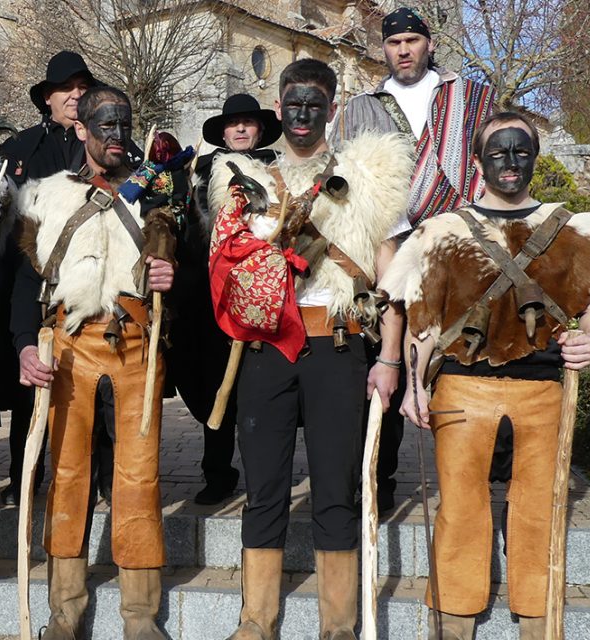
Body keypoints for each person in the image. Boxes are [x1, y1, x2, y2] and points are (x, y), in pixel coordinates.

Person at [381, 112, 590, 640]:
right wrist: (415, 386)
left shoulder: (569, 229)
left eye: (520, 152)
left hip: (544, 392)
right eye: (498, 153)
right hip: (464, 390)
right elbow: (425, 317)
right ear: (478, 161)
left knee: (539, 510)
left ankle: (539, 623)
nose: (510, 163)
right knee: (461, 510)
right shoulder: (444, 232)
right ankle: (453, 623)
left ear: (534, 158)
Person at [208, 59, 412, 640]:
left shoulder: (368, 179)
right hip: (266, 351)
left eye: (314, 105)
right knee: (264, 487)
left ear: (332, 108)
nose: (302, 115)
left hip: (338, 346)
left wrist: (390, 359)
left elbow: (391, 280)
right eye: (292, 104)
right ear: (278, 108)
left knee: (335, 486)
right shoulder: (243, 181)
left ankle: (338, 626)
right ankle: (256, 621)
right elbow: (224, 267)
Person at [13, 86, 175, 640]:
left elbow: (185, 277)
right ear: (80, 129)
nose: (115, 137)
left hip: (136, 344)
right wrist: (25, 347)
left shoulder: (156, 192)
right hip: (69, 347)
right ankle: (65, 615)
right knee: (68, 475)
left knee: (138, 476)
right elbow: (24, 283)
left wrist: (168, 280)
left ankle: (140, 618)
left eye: (123, 125)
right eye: (103, 126)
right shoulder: (47, 196)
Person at [335, 6, 499, 514]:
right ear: (382, 49)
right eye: (393, 43)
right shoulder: (360, 106)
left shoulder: (469, 97)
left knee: (457, 358)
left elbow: (491, 159)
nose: (403, 50)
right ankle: (379, 480)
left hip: (453, 240)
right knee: (384, 360)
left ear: (428, 43)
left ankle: (471, 480)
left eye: (411, 40)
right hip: (385, 245)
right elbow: (342, 173)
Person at [0, 51, 119, 507]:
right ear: (47, 98)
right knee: (29, 383)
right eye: (65, 88)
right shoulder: (21, 150)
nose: (75, 95)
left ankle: (104, 481)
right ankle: (22, 476)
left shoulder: (108, 146)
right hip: (34, 276)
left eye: (83, 87)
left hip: (95, 278)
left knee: (100, 383)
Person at [176, 93, 281, 506]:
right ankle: (217, 473)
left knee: (259, 392)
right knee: (213, 385)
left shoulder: (276, 170)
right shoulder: (198, 174)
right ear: (222, 130)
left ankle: (262, 476)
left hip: (261, 296)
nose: (240, 129)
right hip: (208, 296)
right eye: (232, 123)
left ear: (259, 129)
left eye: (247, 122)